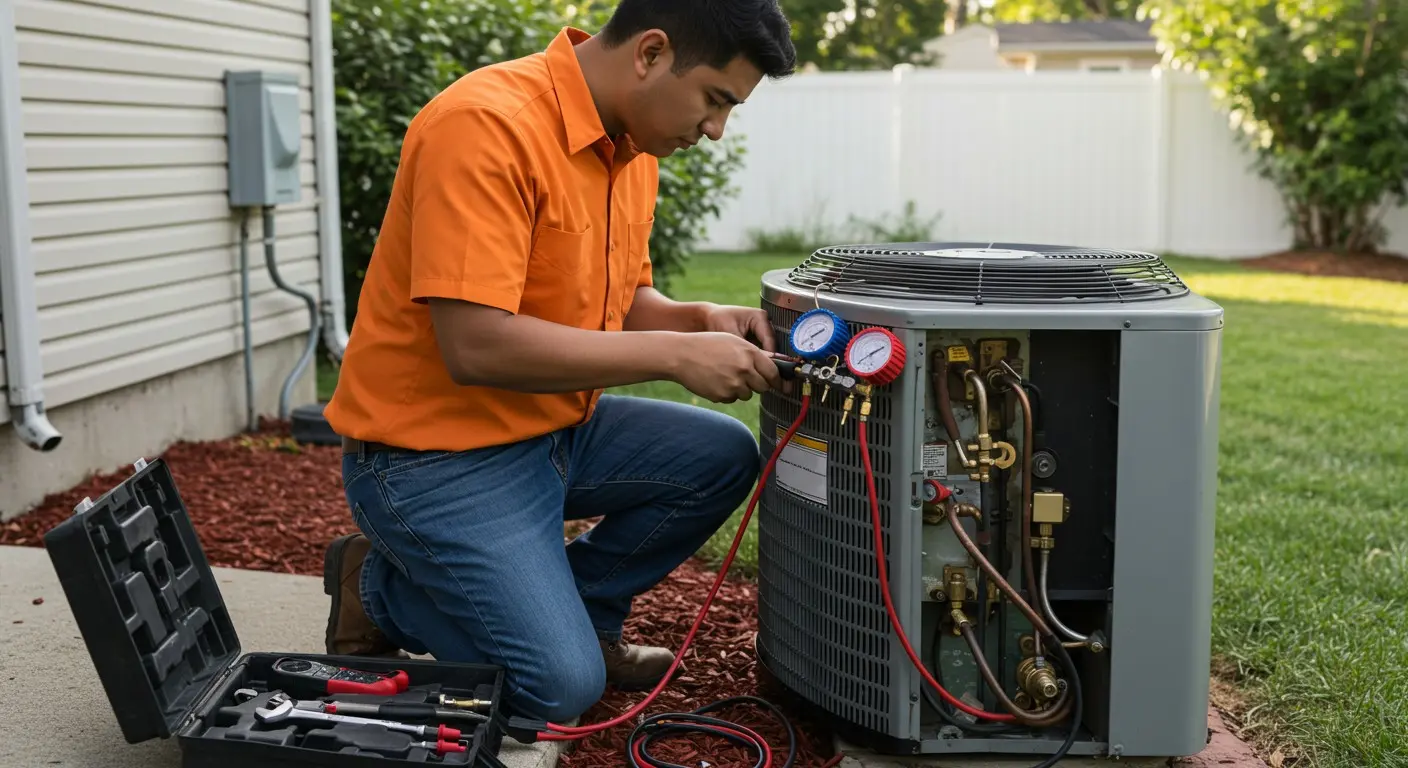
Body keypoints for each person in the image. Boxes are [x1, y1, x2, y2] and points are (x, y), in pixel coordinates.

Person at [320, 0, 798, 725]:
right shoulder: (485, 125)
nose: (714, 129)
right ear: (651, 53)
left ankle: (584, 616)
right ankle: (380, 588)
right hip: (429, 460)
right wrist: (674, 354)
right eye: (715, 99)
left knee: (723, 454)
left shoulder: (631, 145)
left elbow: (619, 299)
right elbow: (476, 344)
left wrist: (696, 319)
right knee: (557, 690)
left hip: (551, 432)